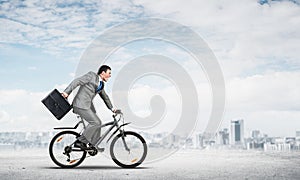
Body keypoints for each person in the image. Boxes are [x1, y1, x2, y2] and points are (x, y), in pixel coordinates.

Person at [62, 65, 116, 150]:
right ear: (103, 73)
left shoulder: (101, 84)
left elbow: (105, 97)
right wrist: (66, 92)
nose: (110, 75)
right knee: (96, 122)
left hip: (86, 106)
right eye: (109, 73)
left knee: (98, 124)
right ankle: (80, 141)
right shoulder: (91, 76)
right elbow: (77, 81)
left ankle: (93, 145)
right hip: (80, 105)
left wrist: (112, 109)